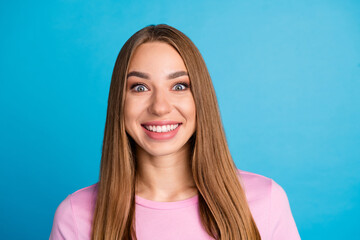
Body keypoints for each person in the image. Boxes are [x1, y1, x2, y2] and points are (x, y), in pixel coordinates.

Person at [49, 24, 300, 240]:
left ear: (201, 98)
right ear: (119, 102)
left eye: (179, 86)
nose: (160, 107)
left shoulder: (265, 201)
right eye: (139, 87)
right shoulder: (76, 214)